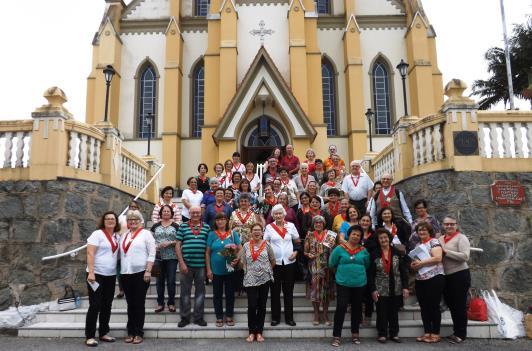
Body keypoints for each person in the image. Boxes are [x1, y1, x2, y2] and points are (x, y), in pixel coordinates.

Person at [329, 225, 370, 347]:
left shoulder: (364, 251)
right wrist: (339, 274)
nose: (356, 236)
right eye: (354, 234)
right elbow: (331, 264)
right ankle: (336, 336)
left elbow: (367, 265)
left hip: (359, 283)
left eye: (358, 235)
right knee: (341, 308)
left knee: (357, 309)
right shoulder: (339, 249)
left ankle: (355, 334)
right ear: (349, 235)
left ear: (360, 237)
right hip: (343, 283)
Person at [85, 211, 121, 347]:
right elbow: (90, 252)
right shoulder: (97, 234)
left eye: (113, 219)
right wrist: (91, 272)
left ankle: (103, 333)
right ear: (103, 221)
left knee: (107, 305)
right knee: (95, 305)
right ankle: (89, 336)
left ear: (116, 221)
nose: (110, 221)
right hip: (96, 274)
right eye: (108, 219)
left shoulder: (117, 236)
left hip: (110, 275)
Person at [119, 210, 156, 345]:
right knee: (130, 304)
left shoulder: (146, 234)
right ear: (127, 222)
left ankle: (139, 332)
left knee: (139, 303)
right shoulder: (123, 236)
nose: (132, 221)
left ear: (140, 221)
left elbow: (152, 253)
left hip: (141, 273)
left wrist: (148, 270)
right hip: (126, 273)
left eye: (135, 219)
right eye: (130, 219)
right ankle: (131, 332)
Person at [368, 228, 409, 343]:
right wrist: (373, 290)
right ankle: (382, 334)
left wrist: (405, 287)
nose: (383, 239)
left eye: (385, 237)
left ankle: (394, 333)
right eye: (381, 238)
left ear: (389, 238)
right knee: (381, 311)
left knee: (394, 311)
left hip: (396, 287)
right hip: (380, 287)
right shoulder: (374, 253)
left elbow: (403, 270)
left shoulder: (396, 251)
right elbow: (370, 274)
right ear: (378, 240)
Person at [264, 204, 301, 326]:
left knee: (288, 291)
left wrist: (295, 252)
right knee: (275, 292)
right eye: (276, 213)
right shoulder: (269, 227)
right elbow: (265, 244)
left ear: (284, 214)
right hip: (275, 264)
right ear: (273, 215)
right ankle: (275, 318)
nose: (278, 215)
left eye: (280, 213)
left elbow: (297, 241)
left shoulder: (290, 226)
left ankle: (289, 318)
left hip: (290, 263)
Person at [240, 223, 276, 343]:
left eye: (259, 230)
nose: (256, 232)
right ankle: (251, 332)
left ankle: (259, 332)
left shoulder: (267, 245)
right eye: (254, 230)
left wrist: (266, 270)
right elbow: (243, 262)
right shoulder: (245, 245)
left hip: (264, 279)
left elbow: (273, 260)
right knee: (252, 305)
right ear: (251, 232)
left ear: (262, 232)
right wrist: (246, 271)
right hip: (250, 279)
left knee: (262, 306)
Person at [176, 206, 211, 327]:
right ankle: (185, 318)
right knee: (185, 292)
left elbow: (208, 248)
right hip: (186, 265)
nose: (195, 214)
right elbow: (177, 245)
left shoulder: (206, 227)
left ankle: (198, 317)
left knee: (200, 292)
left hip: (201, 265)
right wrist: (181, 263)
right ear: (189, 214)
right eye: (193, 212)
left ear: (201, 214)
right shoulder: (183, 226)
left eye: (197, 212)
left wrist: (208, 267)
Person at [206, 213, 242, 327]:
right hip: (215, 270)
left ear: (226, 221)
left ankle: (229, 316)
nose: (220, 221)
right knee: (217, 294)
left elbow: (241, 249)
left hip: (230, 269)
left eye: (223, 219)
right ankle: (219, 317)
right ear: (215, 222)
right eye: (218, 219)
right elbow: (207, 253)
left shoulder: (233, 233)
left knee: (230, 294)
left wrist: (237, 258)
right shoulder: (211, 234)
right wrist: (208, 270)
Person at [411, 222, 445, 343]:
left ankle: (435, 333)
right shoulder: (418, 245)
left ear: (429, 231)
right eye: (419, 230)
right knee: (424, 307)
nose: (421, 232)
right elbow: (416, 262)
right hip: (421, 279)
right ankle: (427, 332)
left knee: (434, 306)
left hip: (435, 277)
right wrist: (414, 265)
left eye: (424, 230)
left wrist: (421, 263)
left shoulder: (434, 242)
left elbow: (437, 258)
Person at [439, 216, 471, 344]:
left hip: (460, 274)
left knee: (460, 306)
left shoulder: (461, 238)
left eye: (452, 224)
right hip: (446, 276)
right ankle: (456, 331)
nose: (449, 226)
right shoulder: (440, 239)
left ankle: (461, 334)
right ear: (443, 225)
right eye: (446, 224)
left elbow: (465, 256)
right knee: (452, 305)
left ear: (456, 225)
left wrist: (446, 252)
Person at [304, 215, 337, 326]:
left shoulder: (330, 235)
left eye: (320, 222)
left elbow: (334, 250)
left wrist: (333, 246)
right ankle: (317, 314)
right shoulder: (310, 235)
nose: (318, 224)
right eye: (316, 222)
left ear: (324, 224)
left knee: (326, 292)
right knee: (315, 291)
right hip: (314, 267)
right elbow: (305, 251)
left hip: (327, 266)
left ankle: (326, 314)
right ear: (313, 224)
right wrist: (309, 254)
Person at [150, 205, 180, 313]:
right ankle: (160, 303)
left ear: (171, 213)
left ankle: (171, 303)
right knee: (159, 281)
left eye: (168, 211)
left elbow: (180, 241)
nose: (166, 213)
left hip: (172, 257)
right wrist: (155, 247)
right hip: (157, 257)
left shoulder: (176, 226)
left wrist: (170, 242)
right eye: (164, 211)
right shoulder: (155, 226)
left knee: (171, 280)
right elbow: (149, 241)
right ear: (161, 213)